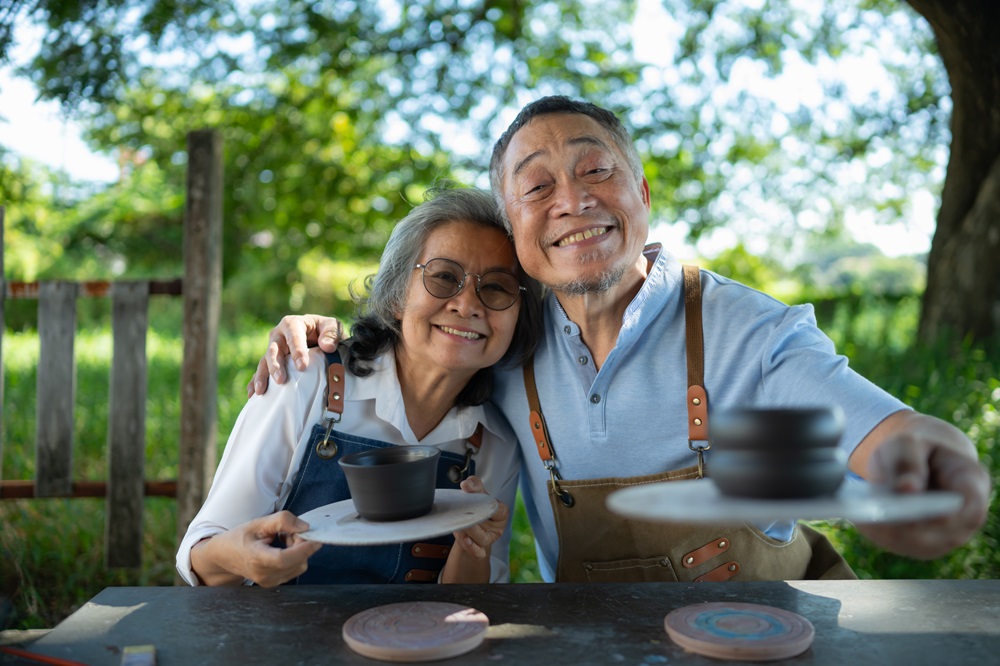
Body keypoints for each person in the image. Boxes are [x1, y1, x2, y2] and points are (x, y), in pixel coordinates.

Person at [249, 96, 991, 583]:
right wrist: (324, 341)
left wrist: (932, 473)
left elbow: (889, 435)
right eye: (536, 187)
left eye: (597, 170)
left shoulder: (748, 332)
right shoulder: (507, 339)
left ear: (642, 193)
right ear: (516, 231)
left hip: (772, 644)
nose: (572, 199)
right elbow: (422, 341)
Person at [177, 186, 542, 587]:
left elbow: (466, 604)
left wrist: (475, 548)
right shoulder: (308, 383)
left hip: (410, 646)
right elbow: (202, 557)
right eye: (443, 277)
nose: (468, 303)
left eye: (496, 287)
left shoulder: (493, 442)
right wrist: (243, 560)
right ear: (397, 294)